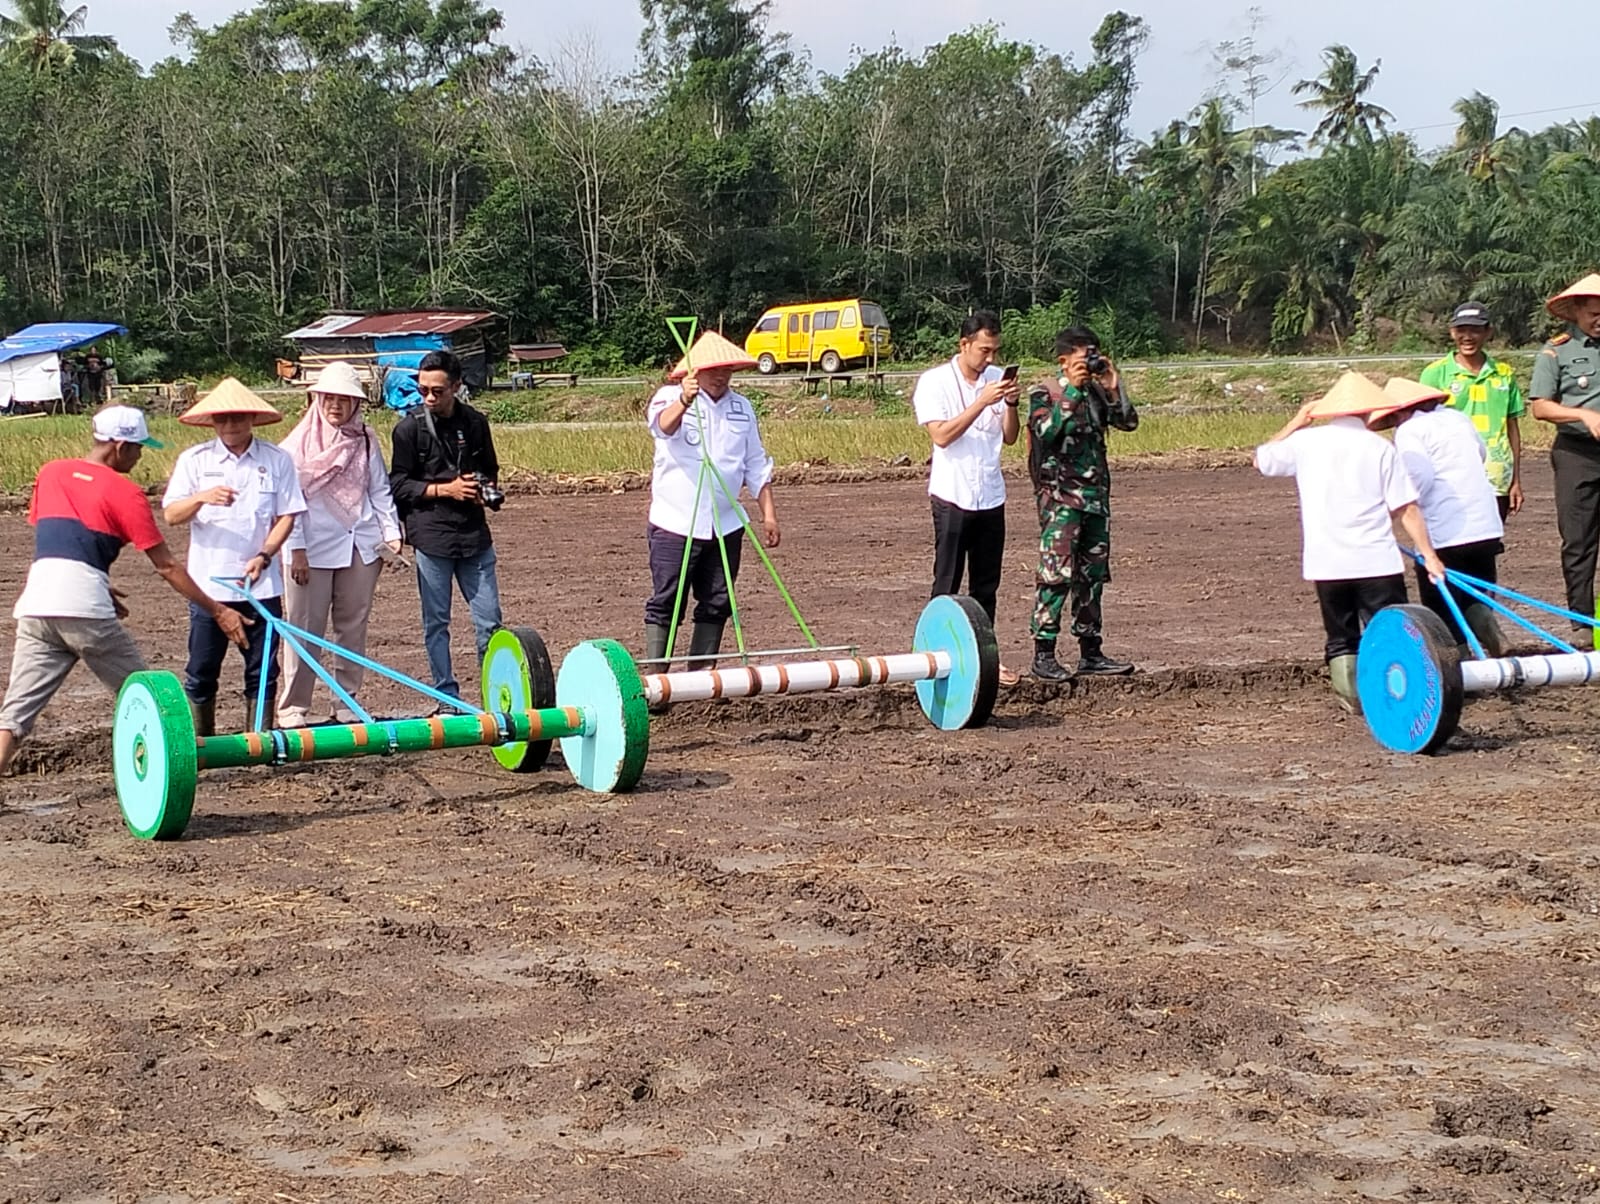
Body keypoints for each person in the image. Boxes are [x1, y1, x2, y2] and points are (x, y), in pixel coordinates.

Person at [0, 407, 249, 775]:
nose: (140, 456)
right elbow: (166, 566)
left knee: (15, 714)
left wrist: (99, 583)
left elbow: (62, 543)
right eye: (137, 448)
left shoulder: (51, 473)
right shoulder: (126, 493)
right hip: (85, 611)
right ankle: (177, 766)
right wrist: (217, 609)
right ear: (119, 446)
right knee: (147, 695)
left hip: (36, 606)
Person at [1255, 372, 1446, 712]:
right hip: (1376, 560)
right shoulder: (1380, 448)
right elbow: (1407, 508)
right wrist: (1428, 555)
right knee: (1389, 633)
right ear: (1368, 411)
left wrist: (1298, 421)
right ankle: (1396, 699)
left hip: (1326, 562)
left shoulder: (1306, 443)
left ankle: (1353, 700)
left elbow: (1263, 459)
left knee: (1342, 638)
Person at [162, 378, 307, 735]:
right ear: (212, 422)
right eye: (223, 419)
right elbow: (171, 514)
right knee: (201, 669)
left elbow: (287, 515)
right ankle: (202, 744)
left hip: (261, 585)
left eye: (238, 418)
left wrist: (265, 555)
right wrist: (201, 497)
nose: (231, 426)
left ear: (252, 419)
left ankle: (257, 742)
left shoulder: (276, 460)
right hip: (209, 586)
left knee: (262, 671)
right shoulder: (195, 461)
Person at [275, 361, 403, 727]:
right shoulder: (293, 448)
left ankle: (346, 700)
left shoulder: (364, 439)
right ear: (316, 399)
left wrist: (390, 533)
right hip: (310, 549)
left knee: (352, 625)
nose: (336, 405)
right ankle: (294, 705)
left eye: (345, 399)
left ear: (356, 404)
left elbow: (378, 490)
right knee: (303, 626)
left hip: (359, 545)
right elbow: (288, 503)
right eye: (329, 397)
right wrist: (295, 548)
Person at [645, 330, 779, 672]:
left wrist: (768, 514)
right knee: (668, 600)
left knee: (718, 599)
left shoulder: (742, 408)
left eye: (727, 370)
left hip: (726, 523)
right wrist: (684, 401)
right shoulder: (668, 397)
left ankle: (700, 675)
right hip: (676, 522)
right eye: (714, 369)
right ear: (695, 371)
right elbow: (662, 427)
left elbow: (755, 464)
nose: (721, 376)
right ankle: (657, 677)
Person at [388, 348, 504, 703]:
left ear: (456, 386)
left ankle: (492, 695)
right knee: (436, 623)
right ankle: (447, 697)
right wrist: (445, 490)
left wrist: (483, 492)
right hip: (432, 536)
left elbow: (489, 470)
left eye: (437, 390)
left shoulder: (475, 423)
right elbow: (397, 485)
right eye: (423, 390)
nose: (429, 397)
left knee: (490, 622)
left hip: (473, 535)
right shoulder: (408, 430)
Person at [912, 310, 1021, 685]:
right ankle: (932, 657)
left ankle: (984, 660)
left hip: (990, 494)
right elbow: (941, 436)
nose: (990, 359)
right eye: (984, 351)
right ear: (964, 344)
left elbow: (1009, 437)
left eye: (995, 351)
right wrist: (980, 402)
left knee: (986, 586)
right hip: (951, 494)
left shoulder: (996, 379)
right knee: (947, 580)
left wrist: (1009, 403)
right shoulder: (934, 382)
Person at [1027, 326, 1139, 680]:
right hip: (1060, 499)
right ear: (1064, 360)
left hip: (1094, 499)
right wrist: (1072, 390)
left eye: (1094, 354)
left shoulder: (1095, 393)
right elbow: (1045, 432)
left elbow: (1129, 422)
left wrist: (1113, 385)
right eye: (1083, 356)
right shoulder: (1045, 392)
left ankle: (1091, 651)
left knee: (1092, 575)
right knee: (1055, 575)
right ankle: (1043, 652)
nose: (1089, 362)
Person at [1366, 377, 1506, 655]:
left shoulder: (1409, 430)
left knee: (1442, 605)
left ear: (1400, 412)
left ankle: (1458, 662)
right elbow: (1480, 453)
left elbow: (1419, 477)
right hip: (1485, 525)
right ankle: (1487, 625)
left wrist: (1396, 510)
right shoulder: (1458, 418)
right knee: (1475, 593)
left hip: (1445, 531)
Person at [1530, 273, 1600, 638]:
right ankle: (1583, 625)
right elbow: (1540, 407)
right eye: (1593, 313)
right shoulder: (1555, 351)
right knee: (1579, 541)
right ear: (1575, 312)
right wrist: (1583, 414)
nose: (1599, 319)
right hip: (1577, 454)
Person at [1418, 301, 1525, 520]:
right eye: (1461, 330)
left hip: (1497, 478)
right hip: (1452, 478)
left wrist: (1515, 481)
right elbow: (1421, 429)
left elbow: (1512, 428)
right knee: (1453, 546)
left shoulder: (1504, 374)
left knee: (1489, 546)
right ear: (1452, 332)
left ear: (1488, 332)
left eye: (1475, 330)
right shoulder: (1435, 374)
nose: (1468, 336)